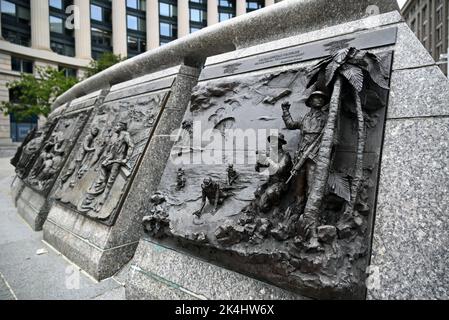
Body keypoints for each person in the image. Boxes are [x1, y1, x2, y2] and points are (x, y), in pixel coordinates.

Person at [281, 91, 329, 203]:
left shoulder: (327, 118)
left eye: (322, 98)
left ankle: (310, 210)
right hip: (301, 155)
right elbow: (291, 125)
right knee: (299, 185)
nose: (320, 100)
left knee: (312, 185)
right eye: (316, 97)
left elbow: (333, 139)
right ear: (310, 101)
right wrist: (285, 111)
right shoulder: (305, 118)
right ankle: (298, 207)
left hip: (315, 157)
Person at [80, 121, 134, 213]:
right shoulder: (114, 136)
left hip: (117, 161)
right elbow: (111, 148)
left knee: (110, 182)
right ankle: (95, 193)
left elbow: (131, 146)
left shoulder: (125, 134)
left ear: (122, 127)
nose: (115, 127)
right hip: (110, 159)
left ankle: (101, 203)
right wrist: (106, 156)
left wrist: (126, 158)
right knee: (102, 174)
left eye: (117, 125)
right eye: (116, 125)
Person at [253, 133, 293, 213]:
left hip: (281, 183)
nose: (272, 142)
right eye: (271, 140)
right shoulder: (270, 155)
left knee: (270, 193)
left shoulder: (285, 156)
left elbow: (280, 170)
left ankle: (278, 205)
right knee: (259, 193)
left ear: (281, 143)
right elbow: (258, 169)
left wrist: (268, 161)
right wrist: (259, 163)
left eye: (275, 140)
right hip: (271, 182)